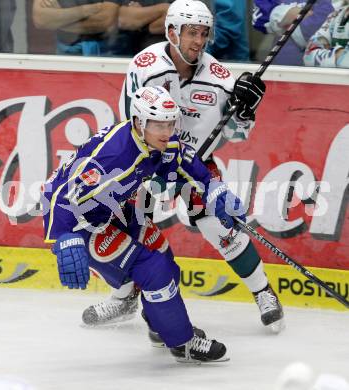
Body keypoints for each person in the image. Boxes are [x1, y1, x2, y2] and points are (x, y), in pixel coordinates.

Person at [82, 0, 285, 337]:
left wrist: (246, 112)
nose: (198, 40)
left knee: (218, 223)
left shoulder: (219, 77)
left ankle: (263, 291)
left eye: (204, 33)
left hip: (194, 165)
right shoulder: (145, 67)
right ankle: (123, 297)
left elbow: (236, 134)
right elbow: (130, 125)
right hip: (145, 160)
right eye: (192, 32)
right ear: (172, 31)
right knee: (123, 223)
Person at [41, 85, 242, 362]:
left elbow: (183, 160)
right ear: (138, 122)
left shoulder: (155, 141)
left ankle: (161, 326)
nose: (166, 131)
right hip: (83, 223)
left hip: (115, 209)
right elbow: (62, 195)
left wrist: (214, 189)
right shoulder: (112, 158)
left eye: (170, 123)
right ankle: (182, 343)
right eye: (158, 124)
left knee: (163, 257)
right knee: (152, 269)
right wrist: (64, 235)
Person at [252, 0, 334, 66]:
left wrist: (283, 18)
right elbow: (261, 19)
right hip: (281, 70)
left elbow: (315, 30)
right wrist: (306, 17)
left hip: (321, 73)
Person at [32, 0, 122, 56]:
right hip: (65, 51)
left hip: (103, 53)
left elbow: (104, 21)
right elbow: (41, 19)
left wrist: (57, 19)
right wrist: (86, 10)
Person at [303, 1, 349, 67]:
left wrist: (329, 56)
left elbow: (346, 62)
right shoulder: (336, 14)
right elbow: (308, 56)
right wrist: (339, 55)